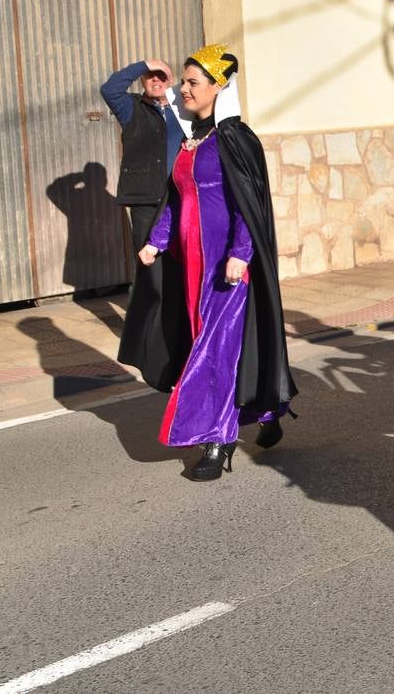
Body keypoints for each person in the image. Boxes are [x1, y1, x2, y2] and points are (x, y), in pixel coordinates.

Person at [119, 44, 296, 481]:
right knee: (209, 344)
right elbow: (179, 201)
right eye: (183, 81)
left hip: (226, 269)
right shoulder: (190, 141)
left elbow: (246, 204)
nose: (183, 89)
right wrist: (156, 241)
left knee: (214, 350)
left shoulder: (234, 139)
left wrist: (241, 252)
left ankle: (218, 443)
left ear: (219, 88)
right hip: (191, 268)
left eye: (193, 82)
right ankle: (268, 408)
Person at [103, 59, 187, 381]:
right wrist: (143, 64)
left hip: (179, 198)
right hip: (145, 202)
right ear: (142, 81)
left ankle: (177, 327)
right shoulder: (130, 109)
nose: (155, 80)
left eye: (161, 76)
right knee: (149, 268)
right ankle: (148, 335)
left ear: (171, 80)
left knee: (179, 263)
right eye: (150, 77)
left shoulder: (183, 110)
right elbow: (109, 88)